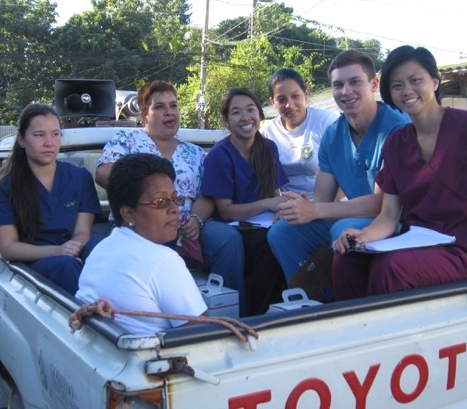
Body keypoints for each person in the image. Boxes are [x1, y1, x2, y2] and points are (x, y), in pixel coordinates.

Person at [331, 45, 467, 299]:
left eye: (415, 80)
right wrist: (362, 237)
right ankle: (352, 335)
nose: (407, 91)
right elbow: (389, 215)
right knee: (346, 260)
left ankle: (387, 337)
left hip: (463, 248)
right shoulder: (397, 143)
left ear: (434, 82)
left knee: (391, 269)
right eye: (397, 85)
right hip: (417, 242)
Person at [94, 80, 245, 311]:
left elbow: (207, 195)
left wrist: (197, 219)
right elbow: (103, 173)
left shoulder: (195, 152)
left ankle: (231, 311)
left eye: (173, 106)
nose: (169, 112)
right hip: (142, 222)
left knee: (228, 238)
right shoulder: (126, 140)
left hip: (186, 223)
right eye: (160, 107)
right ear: (144, 114)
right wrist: (145, 180)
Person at [268, 50, 410, 287]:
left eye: (355, 82)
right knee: (282, 231)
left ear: (373, 84)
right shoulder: (333, 134)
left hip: (395, 220)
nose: (346, 91)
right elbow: (323, 196)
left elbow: (383, 204)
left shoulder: (396, 129)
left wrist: (317, 211)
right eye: (338, 85)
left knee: (343, 228)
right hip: (355, 215)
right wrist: (298, 207)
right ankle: (312, 299)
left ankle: (348, 305)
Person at [77, 153, 208, 334]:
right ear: (128, 214)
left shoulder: (100, 250)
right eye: (160, 201)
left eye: (175, 199)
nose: (175, 209)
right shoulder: (163, 261)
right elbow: (203, 337)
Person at [0, 103, 102, 294]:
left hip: (71, 253)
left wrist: (73, 250)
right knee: (65, 266)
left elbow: (83, 232)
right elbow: (8, 248)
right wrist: (57, 251)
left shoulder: (80, 177)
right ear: (22, 140)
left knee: (103, 247)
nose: (49, 142)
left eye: (55, 134)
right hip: (37, 264)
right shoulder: (5, 187)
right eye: (39, 135)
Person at [201, 88, 289, 315]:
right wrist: (266, 204)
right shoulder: (219, 155)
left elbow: (276, 194)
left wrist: (281, 210)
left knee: (293, 233)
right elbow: (226, 211)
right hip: (235, 227)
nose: (245, 117)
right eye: (236, 112)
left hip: (266, 223)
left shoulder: (268, 148)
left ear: (260, 114)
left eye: (251, 110)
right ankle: (257, 315)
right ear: (227, 121)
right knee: (266, 244)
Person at [260, 67, 339, 197]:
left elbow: (346, 173)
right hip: (287, 205)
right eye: (281, 99)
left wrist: (323, 208)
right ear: (272, 102)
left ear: (306, 93)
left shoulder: (327, 121)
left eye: (295, 96)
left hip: (327, 203)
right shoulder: (268, 131)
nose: (289, 105)